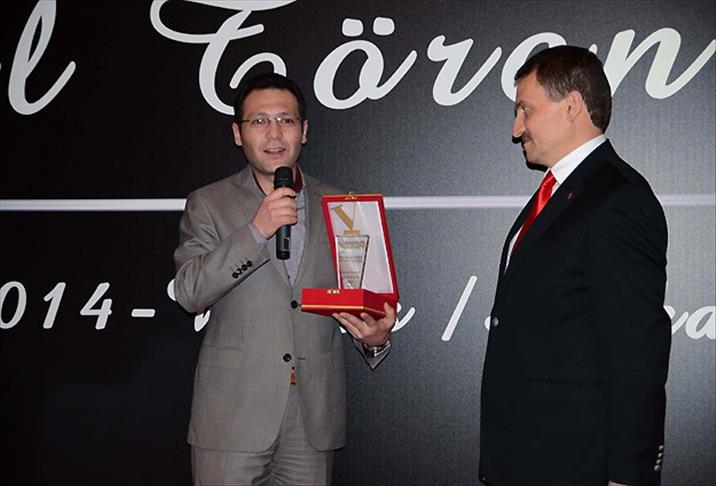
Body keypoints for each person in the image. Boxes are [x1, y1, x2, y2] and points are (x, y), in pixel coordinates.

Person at [173, 72, 396, 486]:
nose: (274, 133)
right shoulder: (208, 203)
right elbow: (189, 293)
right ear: (238, 133)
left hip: (312, 419)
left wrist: (375, 338)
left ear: (304, 131)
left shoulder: (343, 206)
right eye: (259, 121)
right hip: (232, 416)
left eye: (286, 120)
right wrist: (256, 231)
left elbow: (362, 303)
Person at [479, 46, 671, 486]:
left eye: (525, 109)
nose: (516, 129)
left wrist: (628, 475)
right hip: (526, 459)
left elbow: (637, 351)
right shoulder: (559, 193)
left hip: (575, 466)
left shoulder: (618, 199)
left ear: (571, 106)